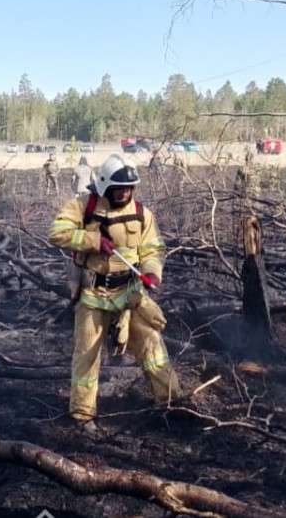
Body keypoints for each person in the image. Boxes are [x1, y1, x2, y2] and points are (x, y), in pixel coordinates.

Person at [48, 155, 179, 430]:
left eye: (129, 188)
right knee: (87, 354)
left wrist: (153, 271)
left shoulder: (142, 214)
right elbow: (57, 233)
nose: (125, 193)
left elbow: (154, 249)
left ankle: (171, 404)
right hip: (94, 296)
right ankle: (83, 416)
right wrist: (93, 240)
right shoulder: (84, 206)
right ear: (105, 185)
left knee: (152, 347)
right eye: (119, 188)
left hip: (130, 295)